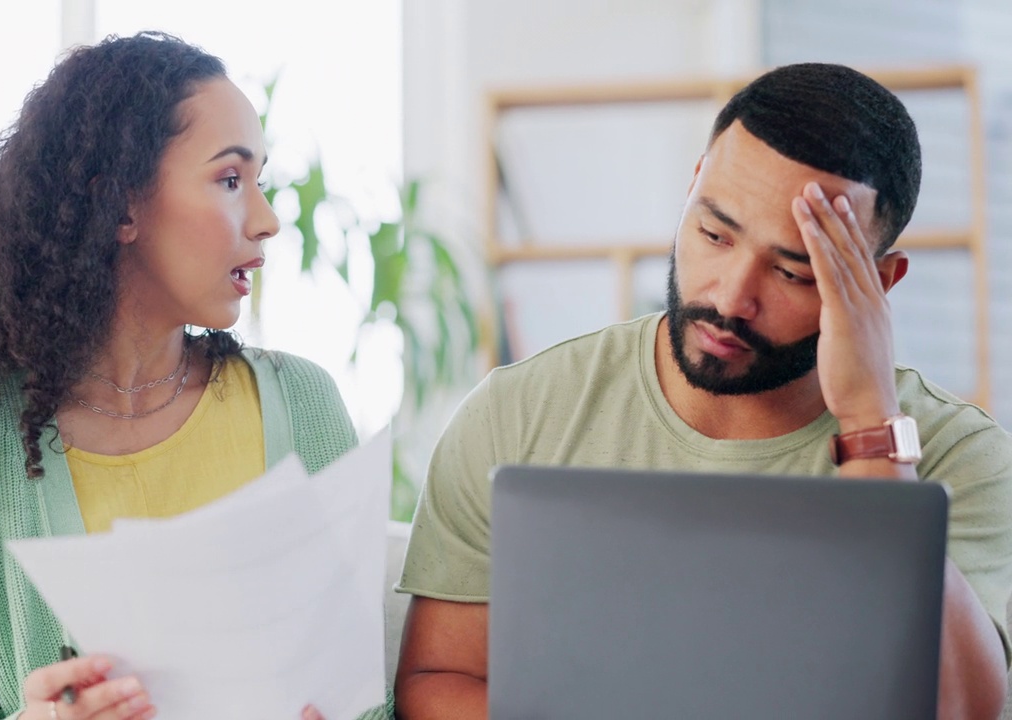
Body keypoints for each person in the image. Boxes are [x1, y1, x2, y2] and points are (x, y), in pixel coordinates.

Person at [393, 62, 1012, 719]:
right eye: (714, 234)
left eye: (793, 271)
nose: (730, 297)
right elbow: (437, 678)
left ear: (880, 285)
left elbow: (966, 712)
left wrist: (870, 427)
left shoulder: (960, 459)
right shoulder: (519, 414)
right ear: (691, 190)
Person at [0, 31, 388, 720]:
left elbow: (362, 699)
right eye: (231, 179)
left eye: (259, 181)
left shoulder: (304, 404)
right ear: (121, 203)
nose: (267, 221)